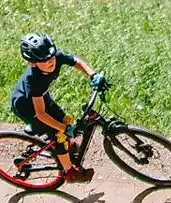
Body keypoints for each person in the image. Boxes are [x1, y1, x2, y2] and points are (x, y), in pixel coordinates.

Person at [11, 32, 107, 184]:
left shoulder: (55, 57)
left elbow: (75, 61)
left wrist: (92, 75)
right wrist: (63, 129)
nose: (51, 61)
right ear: (32, 63)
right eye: (44, 60)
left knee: (63, 120)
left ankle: (66, 147)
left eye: (51, 57)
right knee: (58, 134)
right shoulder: (33, 81)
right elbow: (41, 114)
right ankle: (70, 172)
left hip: (43, 98)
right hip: (27, 107)